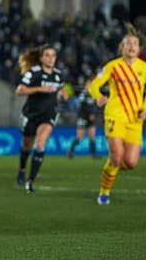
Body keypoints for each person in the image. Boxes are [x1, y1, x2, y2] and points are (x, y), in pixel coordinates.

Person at [89, 24, 146, 206]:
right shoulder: (112, 66)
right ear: (122, 47)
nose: (132, 46)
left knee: (131, 163)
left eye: (135, 44)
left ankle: (112, 168)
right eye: (128, 43)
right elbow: (94, 84)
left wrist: (145, 108)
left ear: (139, 48)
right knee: (116, 157)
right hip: (114, 116)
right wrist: (98, 96)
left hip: (135, 120)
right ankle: (104, 192)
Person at [15, 44, 68, 194]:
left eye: (53, 55)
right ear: (41, 58)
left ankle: (31, 181)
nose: (51, 58)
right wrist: (39, 88)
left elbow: (61, 87)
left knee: (41, 143)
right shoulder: (34, 73)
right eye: (47, 55)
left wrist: (64, 93)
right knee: (27, 146)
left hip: (49, 114)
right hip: (31, 114)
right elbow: (19, 90)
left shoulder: (58, 75)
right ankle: (22, 168)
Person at [66, 77, 98, 159]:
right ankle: (70, 151)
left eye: (91, 84)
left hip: (91, 118)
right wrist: (90, 113)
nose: (89, 85)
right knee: (79, 136)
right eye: (88, 84)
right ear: (86, 85)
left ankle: (93, 154)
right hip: (83, 117)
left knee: (92, 136)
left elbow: (95, 105)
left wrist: (93, 113)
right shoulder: (83, 94)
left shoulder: (94, 94)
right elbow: (82, 106)